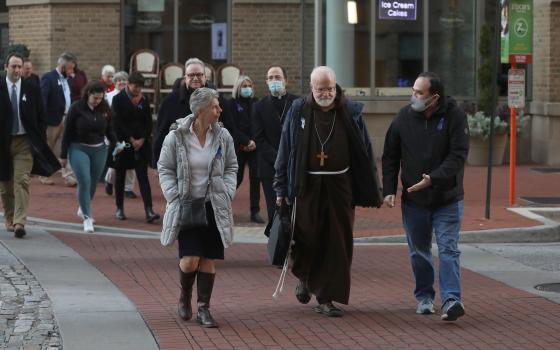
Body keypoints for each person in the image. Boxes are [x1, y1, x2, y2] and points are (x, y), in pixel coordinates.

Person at [274, 66, 382, 317]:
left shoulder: (350, 111)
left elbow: (364, 151)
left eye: (330, 88)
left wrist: (372, 187)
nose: (326, 93)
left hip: (339, 187)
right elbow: (285, 149)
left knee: (336, 242)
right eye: (321, 88)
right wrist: (280, 187)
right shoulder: (298, 109)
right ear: (312, 88)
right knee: (306, 238)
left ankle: (326, 297)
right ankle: (304, 276)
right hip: (306, 185)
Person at [381, 72, 469, 321]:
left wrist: (433, 178)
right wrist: (389, 190)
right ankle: (425, 297)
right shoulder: (403, 117)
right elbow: (390, 155)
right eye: (413, 91)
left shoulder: (455, 116)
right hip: (414, 200)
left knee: (448, 249)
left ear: (435, 98)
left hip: (447, 198)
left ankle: (452, 299)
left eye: (420, 93)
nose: (414, 96)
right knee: (419, 251)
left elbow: (458, 155)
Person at [158, 87, 237, 328]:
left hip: (213, 205)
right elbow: (165, 168)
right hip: (188, 206)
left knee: (208, 259)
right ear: (201, 110)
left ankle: (204, 308)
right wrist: (174, 195)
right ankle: (184, 295)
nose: (219, 110)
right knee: (191, 259)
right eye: (215, 106)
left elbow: (232, 167)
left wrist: (227, 191)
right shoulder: (176, 137)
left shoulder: (223, 136)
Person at [0, 53, 61, 238]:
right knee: (5, 185)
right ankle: (10, 218)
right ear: (6, 67)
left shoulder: (32, 89)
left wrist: (38, 139)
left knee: (22, 180)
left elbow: (41, 116)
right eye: (13, 66)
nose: (17, 70)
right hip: (2, 143)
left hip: (24, 142)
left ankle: (20, 222)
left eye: (19, 66)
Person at [153, 57, 231, 167]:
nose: (195, 78)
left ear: (205, 77)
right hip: (179, 166)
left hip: (212, 166)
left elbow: (229, 131)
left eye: (199, 74)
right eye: (191, 75)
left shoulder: (219, 101)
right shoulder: (169, 102)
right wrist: (157, 163)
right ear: (185, 77)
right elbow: (160, 134)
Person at [60, 81, 115, 233]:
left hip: (99, 149)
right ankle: (87, 217)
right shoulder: (76, 108)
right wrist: (63, 155)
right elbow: (67, 132)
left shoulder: (105, 108)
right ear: (88, 94)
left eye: (100, 98)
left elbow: (110, 130)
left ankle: (83, 206)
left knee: (93, 183)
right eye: (95, 98)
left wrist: (116, 144)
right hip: (78, 147)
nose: (97, 101)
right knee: (84, 179)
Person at [252, 65, 298, 235]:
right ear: (266, 82)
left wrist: (290, 158)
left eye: (277, 77)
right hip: (269, 166)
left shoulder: (297, 103)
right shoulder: (259, 106)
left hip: (294, 165)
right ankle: (279, 247)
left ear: (285, 80)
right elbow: (258, 138)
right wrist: (279, 158)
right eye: (270, 78)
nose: (274, 81)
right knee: (275, 209)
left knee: (294, 208)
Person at [111, 71, 159, 223]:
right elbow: (117, 123)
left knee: (143, 177)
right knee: (120, 176)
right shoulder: (118, 99)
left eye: (140, 87)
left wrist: (143, 138)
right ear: (128, 84)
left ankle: (149, 210)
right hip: (124, 143)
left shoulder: (143, 100)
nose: (138, 90)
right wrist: (131, 139)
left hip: (141, 144)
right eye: (135, 86)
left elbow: (148, 122)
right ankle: (119, 208)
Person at [228, 75, 264, 223]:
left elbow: (260, 125)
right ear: (238, 87)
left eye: (249, 86)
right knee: (236, 178)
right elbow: (232, 127)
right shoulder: (231, 104)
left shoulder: (257, 103)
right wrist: (245, 141)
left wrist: (254, 141)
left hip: (254, 146)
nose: (247, 89)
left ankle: (255, 212)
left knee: (255, 179)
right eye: (243, 86)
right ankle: (221, 206)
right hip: (238, 145)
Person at [40, 52, 77, 187]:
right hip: (52, 119)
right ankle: (44, 175)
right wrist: (43, 120)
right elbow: (42, 100)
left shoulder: (67, 80)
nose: (72, 71)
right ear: (62, 66)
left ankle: (68, 176)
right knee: (49, 148)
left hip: (66, 117)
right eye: (70, 68)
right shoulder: (48, 78)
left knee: (66, 146)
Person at [104, 71, 137, 198]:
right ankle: (109, 180)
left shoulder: (134, 95)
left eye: (124, 80)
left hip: (130, 134)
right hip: (115, 134)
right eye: (118, 80)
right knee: (116, 161)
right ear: (115, 82)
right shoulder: (109, 96)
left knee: (131, 163)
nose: (121, 82)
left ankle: (128, 188)